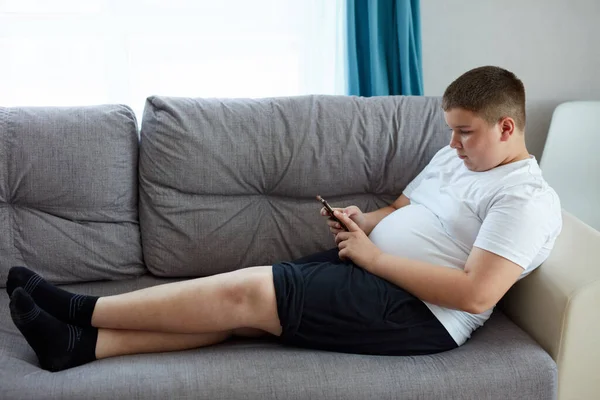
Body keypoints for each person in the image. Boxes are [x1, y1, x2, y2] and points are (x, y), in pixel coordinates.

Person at [6, 66, 562, 372]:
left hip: (420, 315)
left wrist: (375, 257)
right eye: (451, 129)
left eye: (465, 131)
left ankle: (81, 308)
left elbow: (474, 294)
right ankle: (78, 347)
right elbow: (404, 207)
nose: (453, 143)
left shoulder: (525, 199)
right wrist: (363, 222)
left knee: (248, 294)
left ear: (507, 128)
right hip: (374, 271)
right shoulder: (454, 157)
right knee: (248, 314)